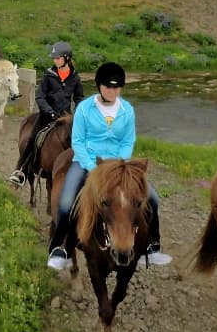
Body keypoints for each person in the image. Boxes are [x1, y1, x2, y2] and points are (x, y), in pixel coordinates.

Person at [47, 62, 172, 271]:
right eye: (107, 86)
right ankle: (58, 249)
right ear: (99, 87)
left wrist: (118, 166)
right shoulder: (85, 109)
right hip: (86, 162)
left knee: (152, 198)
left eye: (116, 87)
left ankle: (152, 246)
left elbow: (128, 141)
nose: (112, 91)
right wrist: (93, 168)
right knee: (66, 200)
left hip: (117, 165)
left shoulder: (127, 110)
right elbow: (78, 142)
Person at [8, 41, 83, 186]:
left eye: (57, 57)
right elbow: (40, 96)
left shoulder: (75, 77)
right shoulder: (49, 75)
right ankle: (20, 170)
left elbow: (79, 98)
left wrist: (78, 114)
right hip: (47, 115)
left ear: (66, 58)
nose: (54, 60)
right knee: (32, 138)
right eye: (54, 58)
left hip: (66, 118)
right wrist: (50, 112)